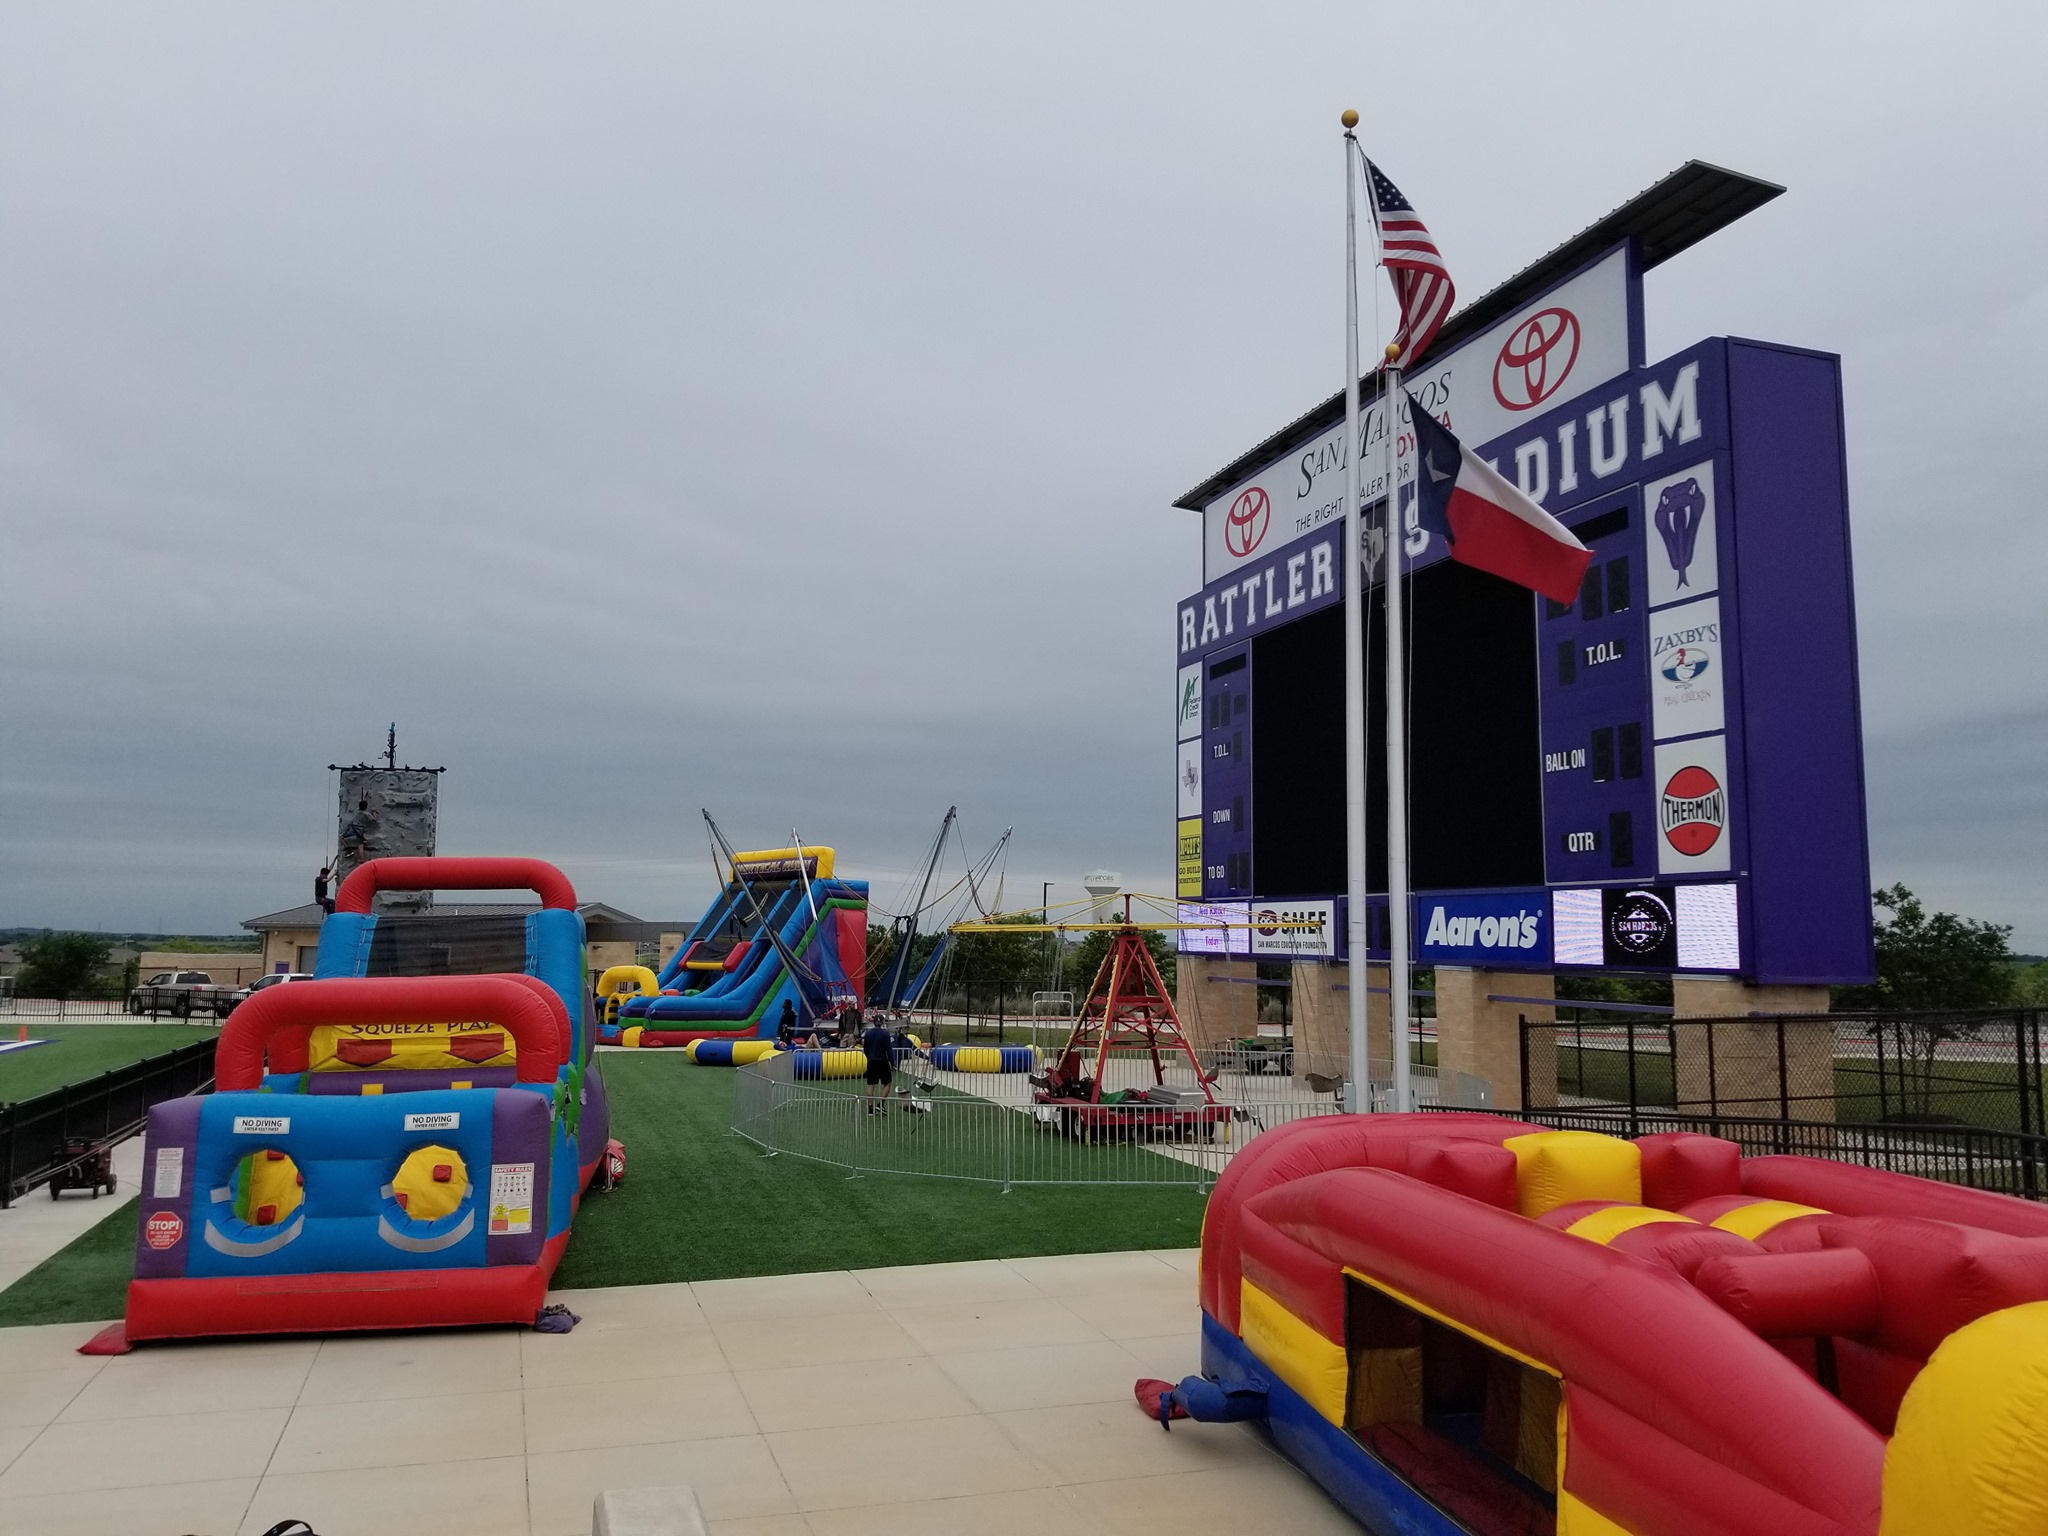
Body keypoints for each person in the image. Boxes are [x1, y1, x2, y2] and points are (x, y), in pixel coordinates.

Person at [861, 1011, 895, 1113]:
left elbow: (865, 1048)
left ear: (874, 1022)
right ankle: (880, 1104)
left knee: (870, 1085)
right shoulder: (885, 1034)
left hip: (871, 1061)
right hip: (883, 1061)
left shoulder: (868, 1033)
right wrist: (892, 1063)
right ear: (883, 1022)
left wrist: (868, 1058)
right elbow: (889, 1049)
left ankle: (870, 1108)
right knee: (887, 1083)